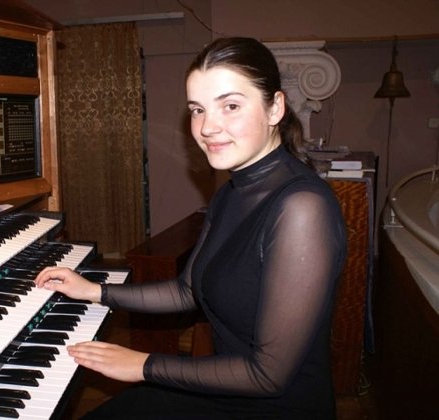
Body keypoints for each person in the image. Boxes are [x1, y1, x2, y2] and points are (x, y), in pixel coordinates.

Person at [35, 37, 347, 419]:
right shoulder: (230, 192)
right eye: (198, 110)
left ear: (275, 108)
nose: (208, 127)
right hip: (228, 388)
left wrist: (142, 365)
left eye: (230, 106)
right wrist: (95, 291)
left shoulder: (303, 208)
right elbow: (186, 290)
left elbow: (269, 375)